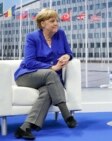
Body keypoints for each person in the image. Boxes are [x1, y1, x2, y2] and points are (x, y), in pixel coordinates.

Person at [14, 8, 77, 140]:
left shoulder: (60, 34)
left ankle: (24, 128)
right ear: (42, 23)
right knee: (51, 74)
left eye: (57, 21)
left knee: (47, 91)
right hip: (27, 75)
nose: (56, 24)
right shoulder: (32, 37)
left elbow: (70, 53)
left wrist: (67, 56)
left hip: (48, 80)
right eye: (52, 21)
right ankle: (66, 114)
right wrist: (52, 67)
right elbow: (29, 62)